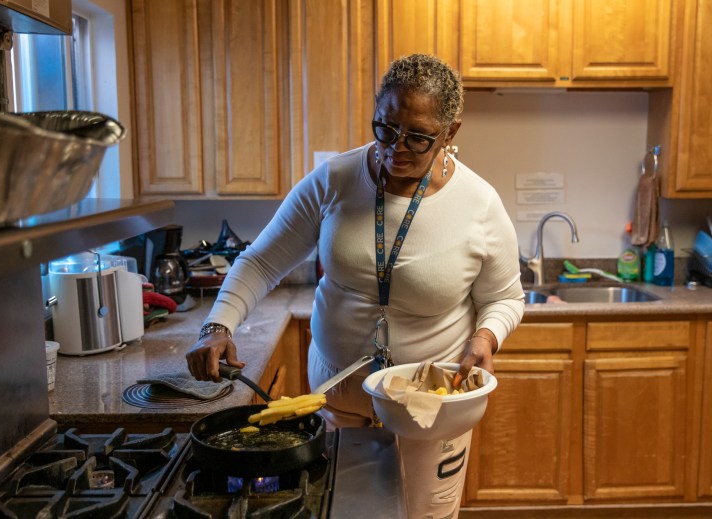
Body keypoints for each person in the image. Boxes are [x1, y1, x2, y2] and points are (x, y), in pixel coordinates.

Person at [186, 53, 525, 518]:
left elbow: (505, 297)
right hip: (336, 398)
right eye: (384, 128)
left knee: (422, 514)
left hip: (430, 411)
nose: (396, 148)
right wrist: (217, 325)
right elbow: (262, 261)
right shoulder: (334, 181)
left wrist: (486, 337)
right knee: (339, 511)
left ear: (450, 133)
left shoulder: (480, 204)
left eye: (419, 138)